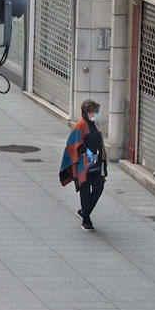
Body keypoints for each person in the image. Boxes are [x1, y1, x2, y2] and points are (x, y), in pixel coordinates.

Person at [59, 98, 107, 232]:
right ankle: (86, 219)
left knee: (99, 188)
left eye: (96, 112)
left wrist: (103, 160)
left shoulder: (95, 125)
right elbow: (72, 145)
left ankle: (84, 212)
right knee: (85, 191)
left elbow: (100, 144)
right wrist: (86, 153)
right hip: (83, 166)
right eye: (92, 113)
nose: (94, 115)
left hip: (97, 164)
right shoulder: (80, 126)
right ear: (85, 113)